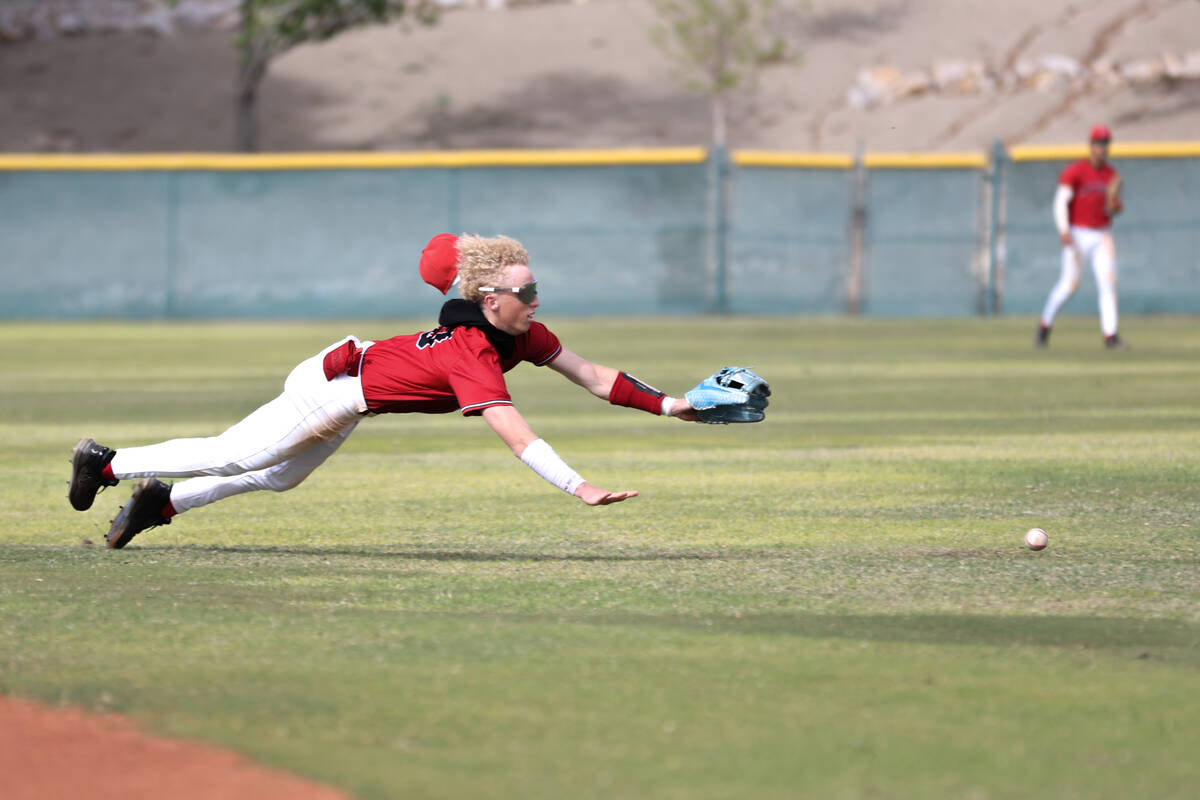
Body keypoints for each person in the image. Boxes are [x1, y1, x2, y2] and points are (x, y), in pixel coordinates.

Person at [68, 233, 732, 549]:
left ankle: (161, 505)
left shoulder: (519, 334)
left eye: (535, 288)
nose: (536, 298)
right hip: (333, 386)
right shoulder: (472, 351)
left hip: (353, 392)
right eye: (525, 291)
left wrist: (677, 407)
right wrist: (579, 486)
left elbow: (594, 377)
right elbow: (514, 431)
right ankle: (107, 464)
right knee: (235, 455)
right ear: (490, 298)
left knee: (276, 480)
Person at [1035, 124, 1126, 349]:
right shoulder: (1076, 171)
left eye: (1105, 144)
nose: (1101, 148)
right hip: (1077, 233)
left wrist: (1115, 206)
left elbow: (1112, 209)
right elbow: (1060, 202)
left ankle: (1110, 335)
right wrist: (1064, 230)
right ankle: (1045, 325)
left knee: (1107, 284)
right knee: (1068, 285)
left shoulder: (1111, 175)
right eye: (1098, 143)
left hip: (1102, 234)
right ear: (1090, 145)